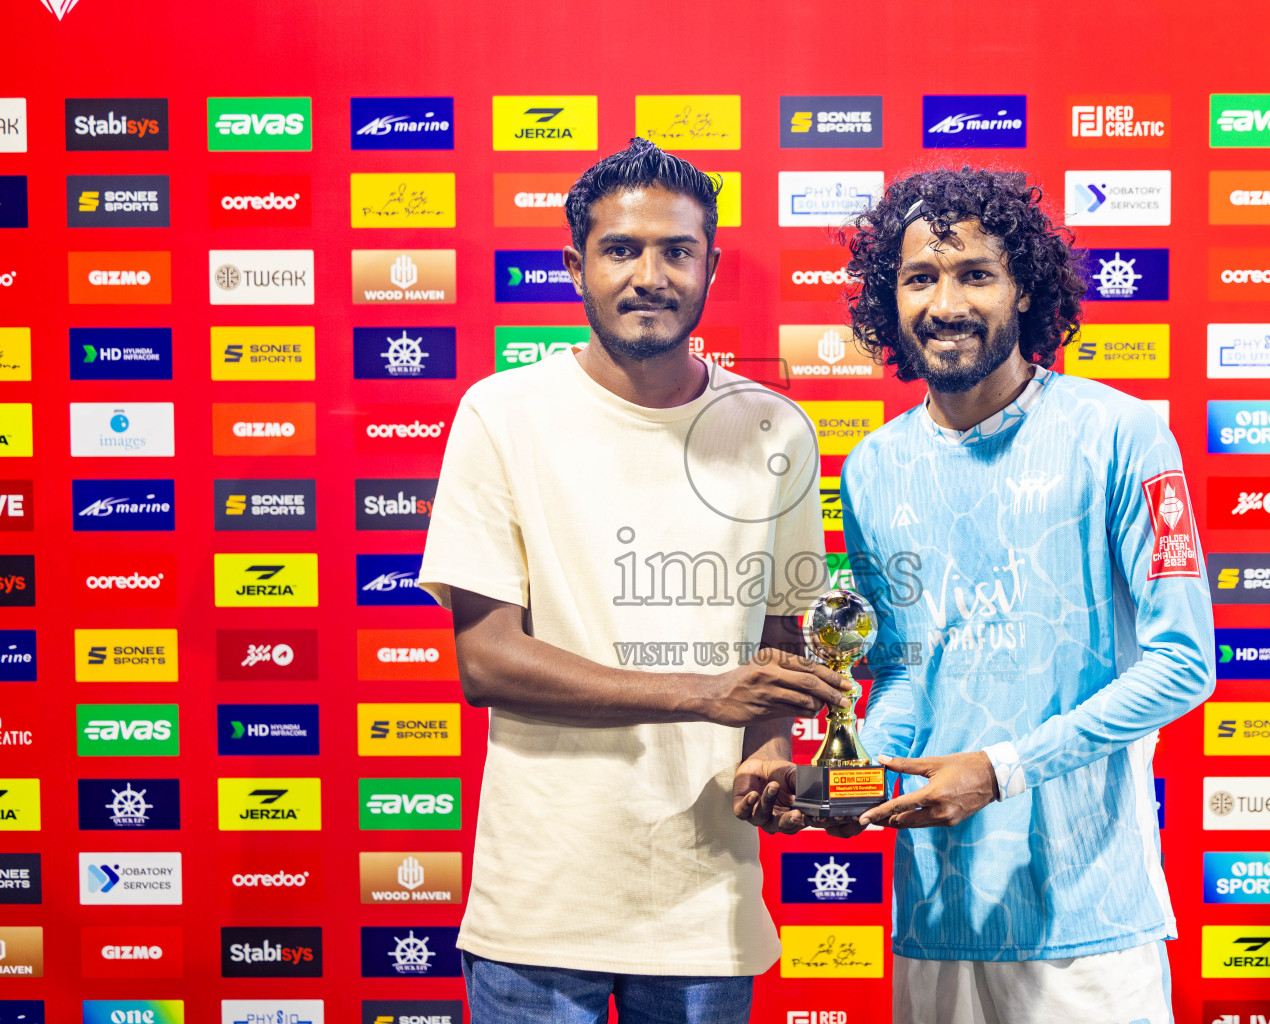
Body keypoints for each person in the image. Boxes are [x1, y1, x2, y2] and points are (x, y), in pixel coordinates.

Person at [418, 137, 841, 1024]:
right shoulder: (502, 413)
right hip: (538, 907)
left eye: (676, 251)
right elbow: (487, 663)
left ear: (711, 267)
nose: (649, 275)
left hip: (705, 907)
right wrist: (703, 693)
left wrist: (770, 752)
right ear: (576, 266)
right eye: (621, 250)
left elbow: (779, 644)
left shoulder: (776, 430)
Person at [835, 168, 1216, 1024]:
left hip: (1088, 923)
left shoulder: (1121, 433)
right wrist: (849, 780)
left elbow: (1185, 666)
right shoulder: (871, 467)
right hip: (938, 912)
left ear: (1024, 289)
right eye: (920, 277)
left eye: (976, 273)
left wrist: (1000, 773)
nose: (946, 303)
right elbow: (901, 672)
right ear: (888, 299)